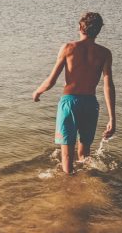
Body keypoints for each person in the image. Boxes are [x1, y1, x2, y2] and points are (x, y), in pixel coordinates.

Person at [32, 12, 116, 174]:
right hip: (90, 104)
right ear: (99, 31)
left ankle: (69, 185)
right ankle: (85, 181)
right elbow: (108, 85)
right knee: (84, 155)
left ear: (79, 27)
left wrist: (37, 92)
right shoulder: (105, 53)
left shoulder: (68, 48)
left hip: (69, 103)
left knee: (66, 157)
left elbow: (51, 80)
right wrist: (112, 118)